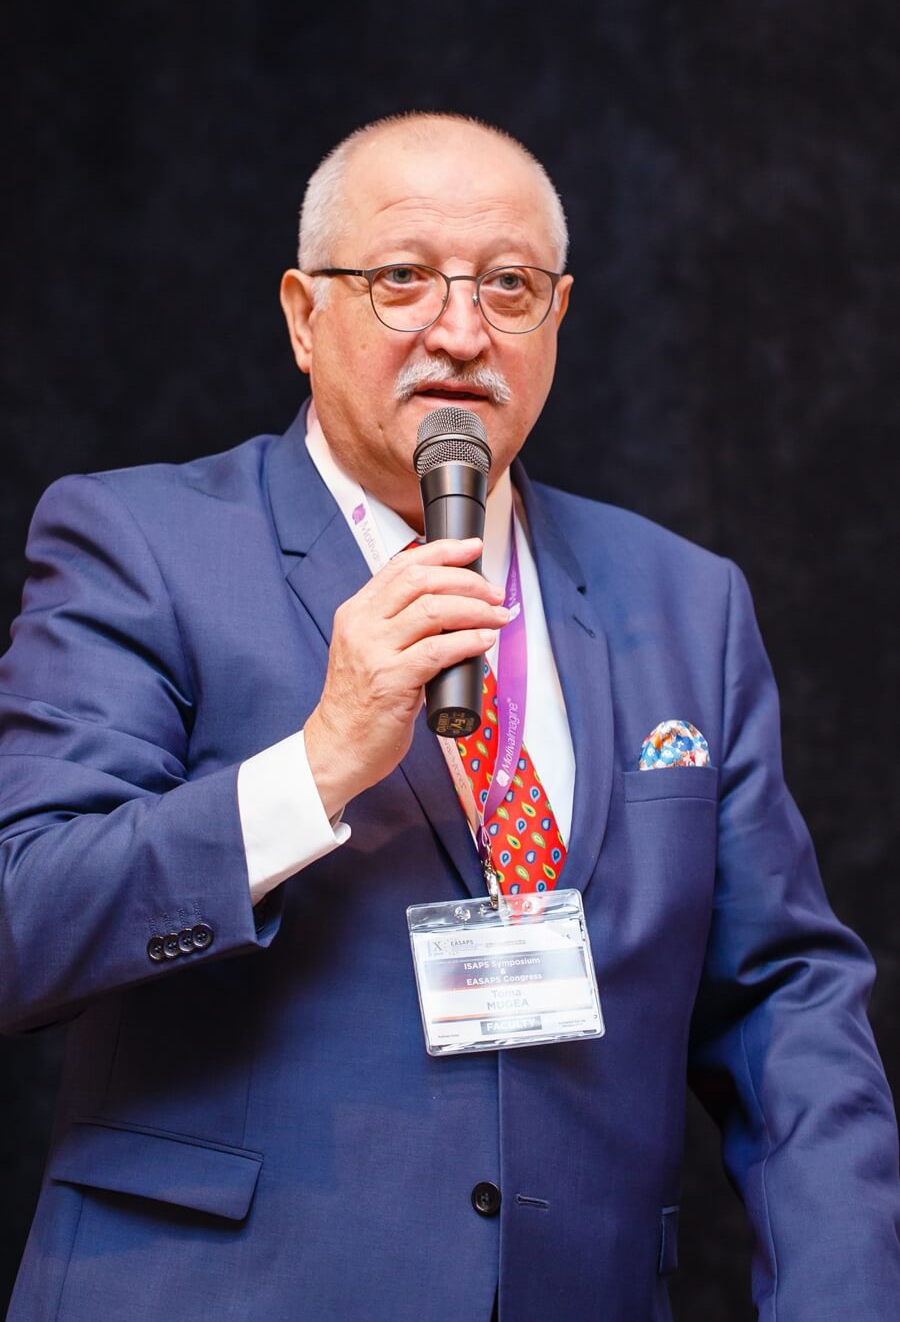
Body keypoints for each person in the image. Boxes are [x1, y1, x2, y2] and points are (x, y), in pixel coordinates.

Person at [0, 112, 897, 1322]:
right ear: (304, 316)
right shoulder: (142, 546)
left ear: (557, 317)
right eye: (403, 278)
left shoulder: (686, 601)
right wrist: (316, 765)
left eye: (508, 286)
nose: (462, 332)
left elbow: (784, 999)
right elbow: (25, 920)